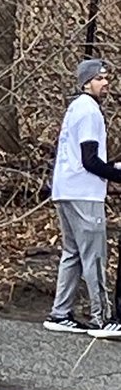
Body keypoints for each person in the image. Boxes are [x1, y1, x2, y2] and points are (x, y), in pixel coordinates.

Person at [44, 59, 121, 337]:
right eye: (100, 78)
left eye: (106, 77)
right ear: (87, 82)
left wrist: (110, 167)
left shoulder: (74, 108)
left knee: (72, 253)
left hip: (65, 190)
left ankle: (60, 312)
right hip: (84, 193)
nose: (106, 82)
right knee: (94, 255)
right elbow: (90, 159)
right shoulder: (90, 111)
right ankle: (103, 317)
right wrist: (115, 174)